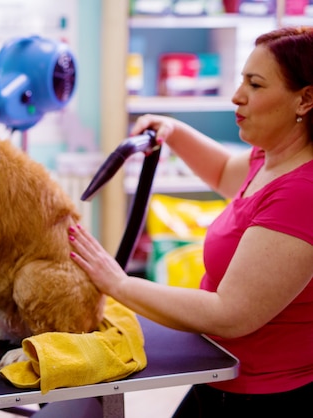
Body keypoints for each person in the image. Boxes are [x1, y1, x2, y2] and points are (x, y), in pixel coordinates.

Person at [68, 26, 313, 417]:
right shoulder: (269, 160)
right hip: (221, 376)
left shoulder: (302, 194)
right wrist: (174, 130)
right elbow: (220, 172)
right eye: (241, 80)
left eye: (256, 84)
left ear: (305, 100)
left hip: (266, 397)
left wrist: (118, 283)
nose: (238, 96)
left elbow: (230, 313)